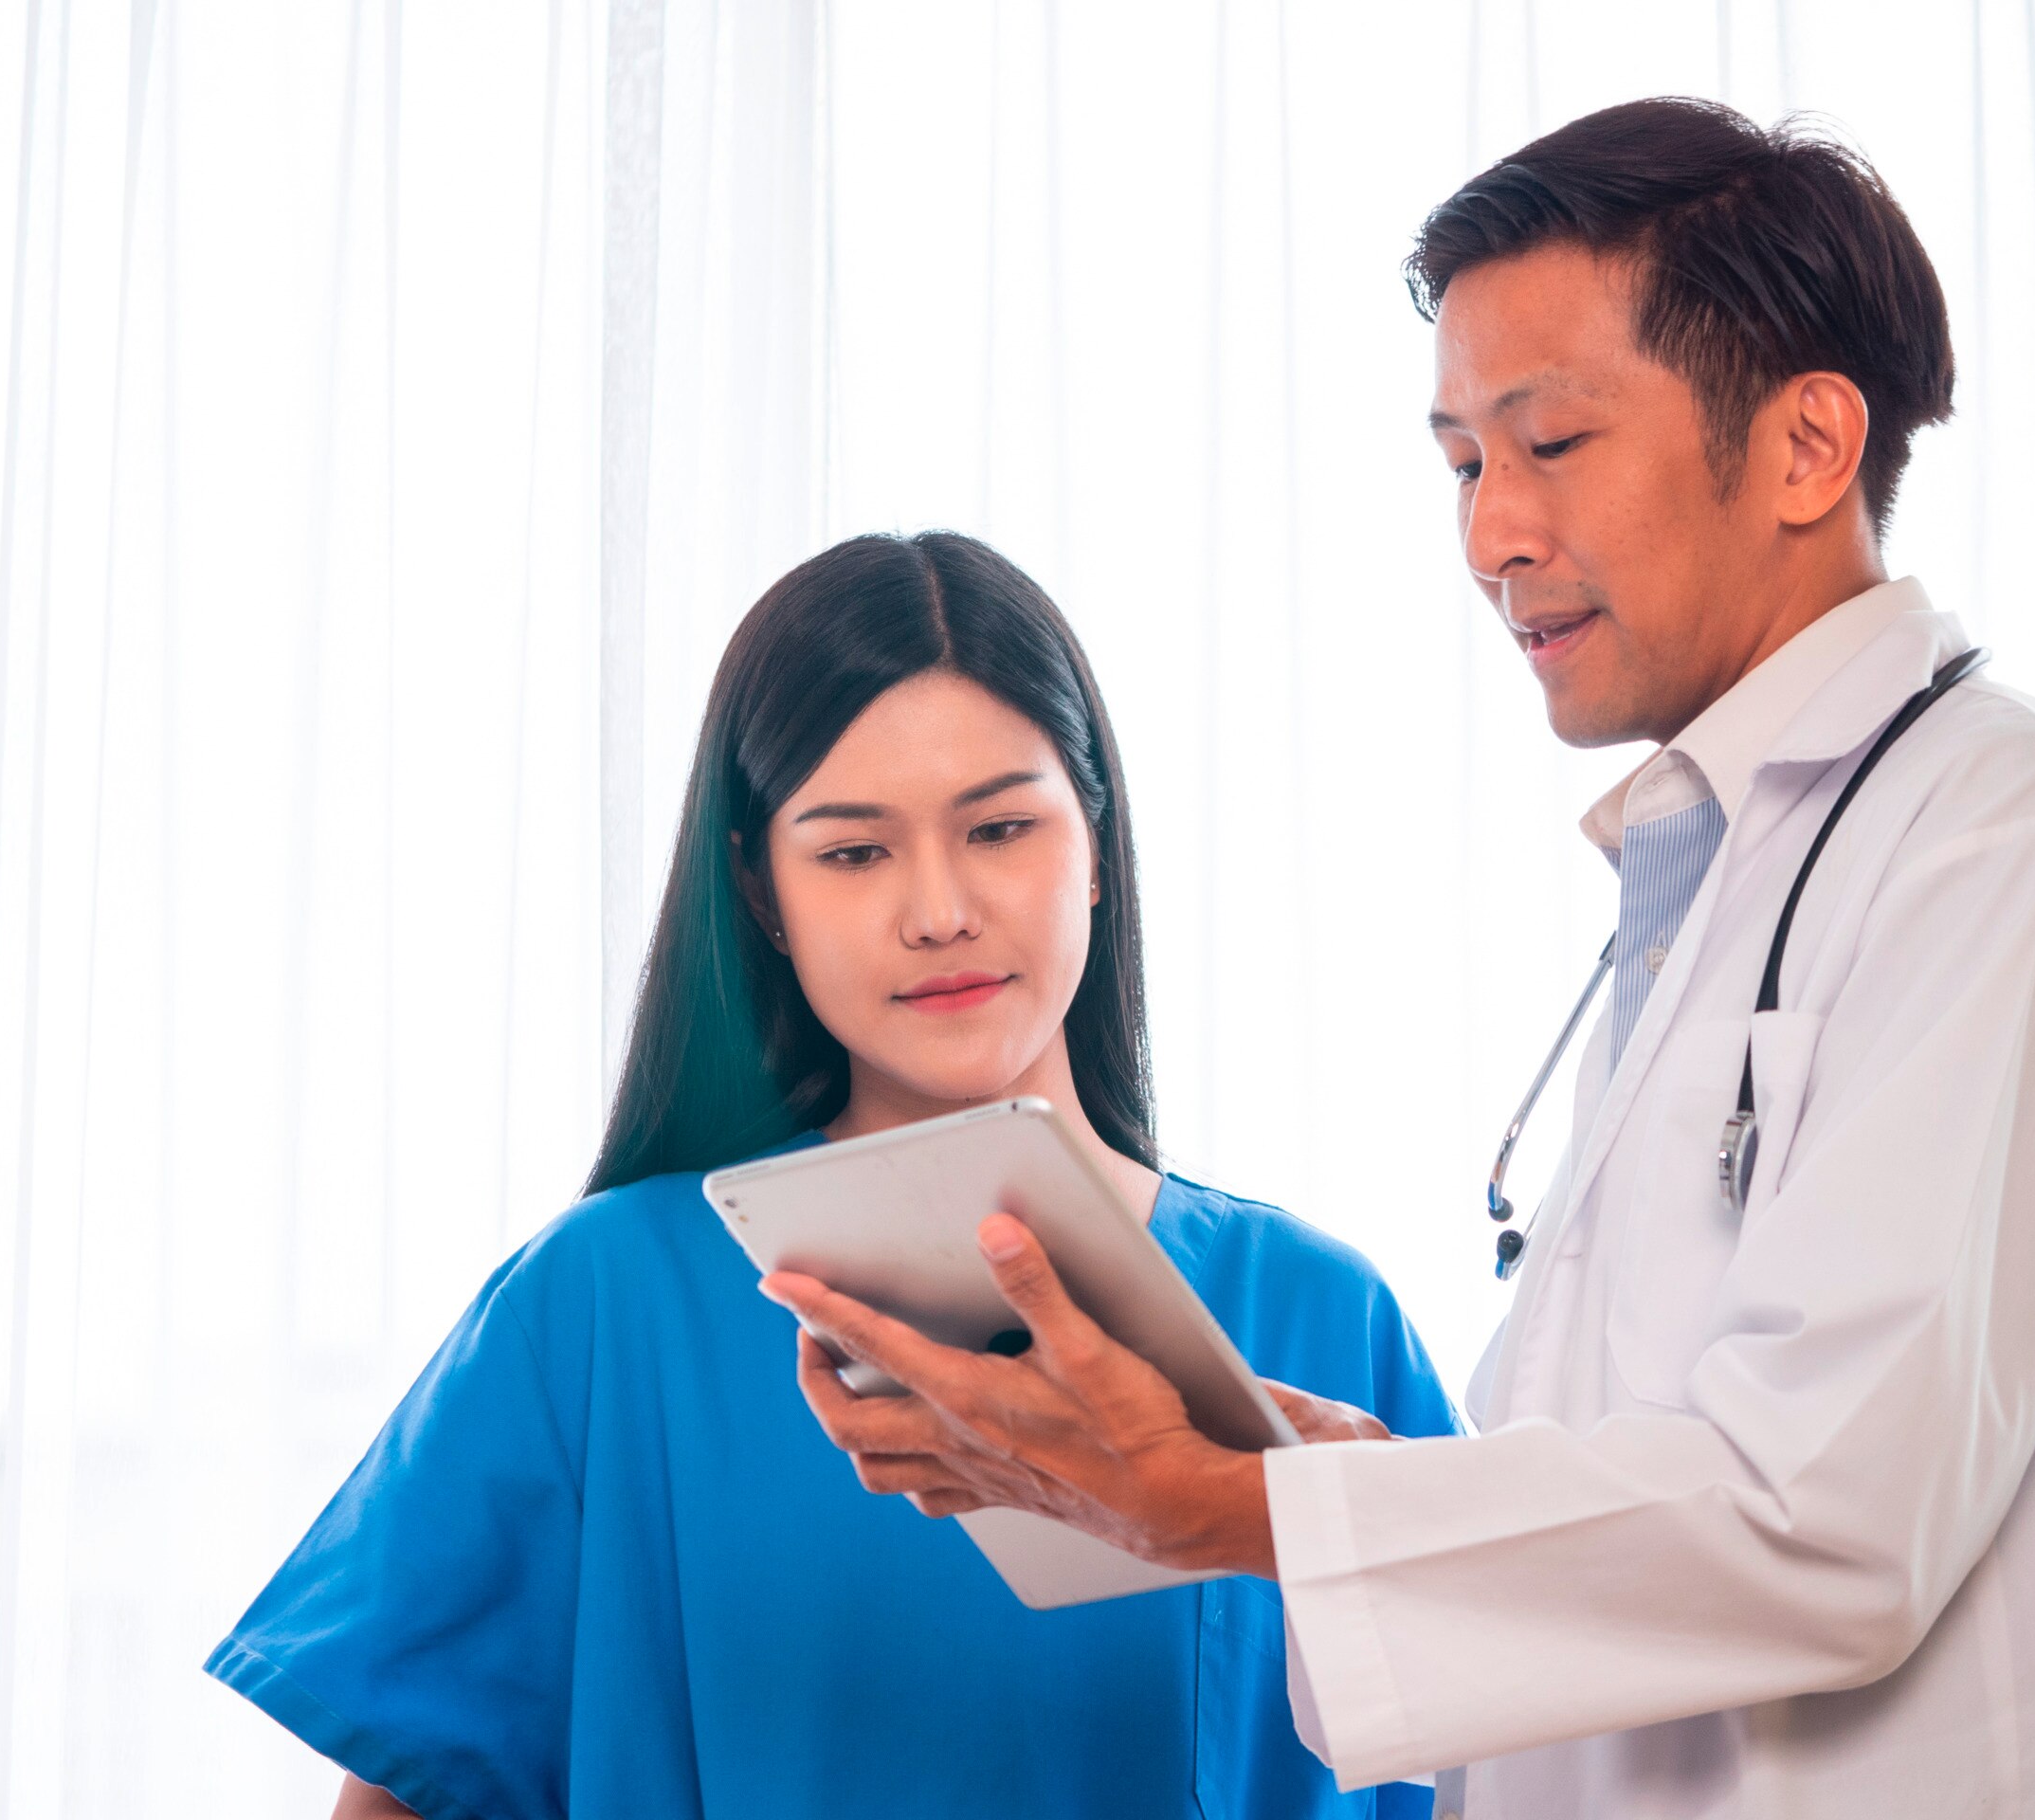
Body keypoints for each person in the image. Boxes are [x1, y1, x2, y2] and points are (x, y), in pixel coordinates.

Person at [767, 100, 2035, 1818]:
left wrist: (1205, 1504)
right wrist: (1292, 1464)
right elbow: (1646, 1485)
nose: (1489, 539)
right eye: (1464, 463)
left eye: (1550, 446)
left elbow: (1824, 1521)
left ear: (1810, 444)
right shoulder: (1720, 862)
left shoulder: (2012, 834)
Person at [205, 531, 1462, 1819]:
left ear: (1098, 842)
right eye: (855, 852)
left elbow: (1532, 1750)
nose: (939, 909)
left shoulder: (1320, 1317)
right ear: (761, 891)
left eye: (1002, 827)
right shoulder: (601, 1309)